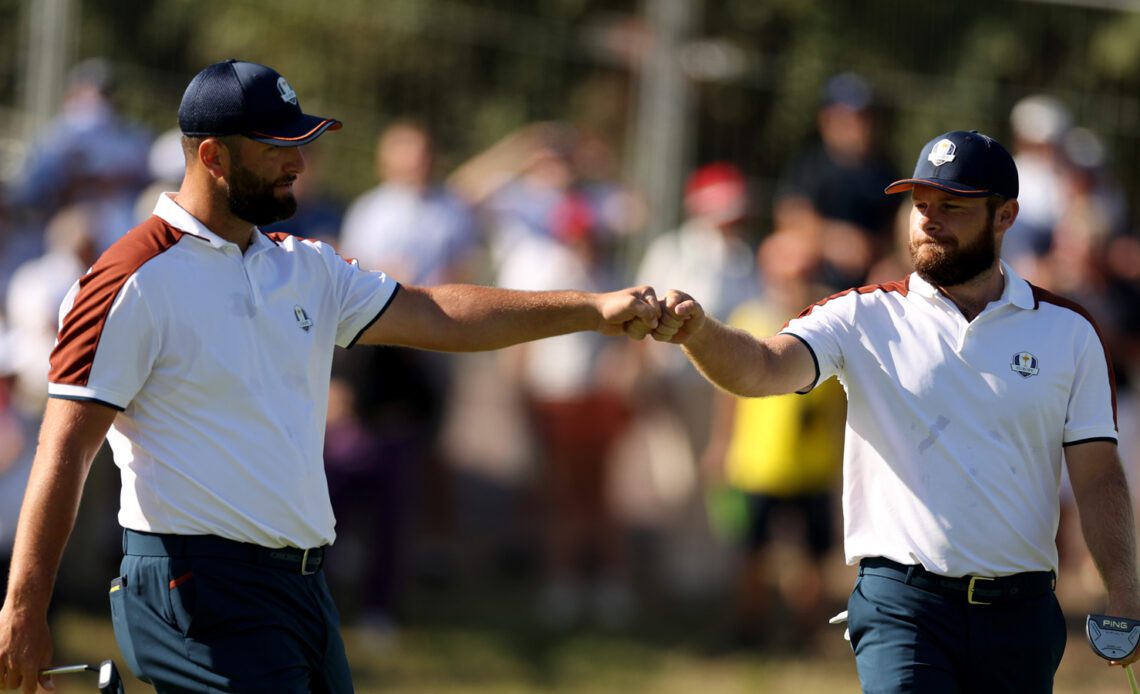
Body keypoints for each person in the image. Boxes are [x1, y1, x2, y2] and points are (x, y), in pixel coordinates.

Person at [0, 59, 662, 693]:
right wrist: (24, 608)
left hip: (302, 585)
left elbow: (437, 313)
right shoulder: (128, 282)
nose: (298, 161)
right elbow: (63, 450)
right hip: (197, 583)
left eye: (303, 143)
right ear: (212, 156)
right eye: (278, 147)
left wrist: (591, 310)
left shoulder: (303, 265)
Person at [651, 129, 1140, 692]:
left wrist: (1123, 593)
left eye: (952, 206)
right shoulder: (861, 316)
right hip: (901, 604)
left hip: (1021, 611)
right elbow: (760, 367)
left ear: (1005, 216)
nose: (929, 220)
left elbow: (1098, 473)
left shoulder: (1069, 331)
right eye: (921, 205)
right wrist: (699, 332)